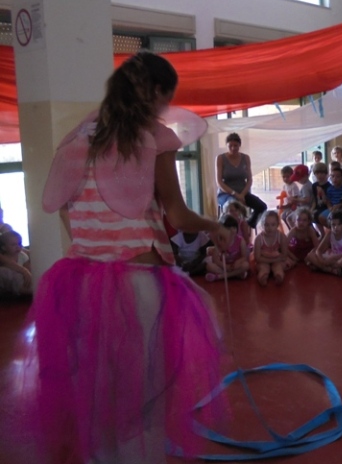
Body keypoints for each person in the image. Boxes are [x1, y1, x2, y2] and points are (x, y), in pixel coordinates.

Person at [25, 52, 227, 462]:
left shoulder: (81, 138)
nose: (165, 108)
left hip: (81, 281)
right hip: (138, 283)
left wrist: (95, 245)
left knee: (99, 388)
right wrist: (216, 228)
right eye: (165, 98)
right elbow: (176, 213)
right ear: (153, 93)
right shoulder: (151, 138)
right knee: (146, 390)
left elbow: (63, 207)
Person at [216, 132, 267, 229]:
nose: (233, 148)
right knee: (234, 206)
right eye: (230, 145)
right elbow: (219, 182)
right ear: (227, 145)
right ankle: (228, 230)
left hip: (243, 193)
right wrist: (235, 194)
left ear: (240, 145)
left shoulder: (245, 158)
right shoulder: (220, 158)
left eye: (236, 145)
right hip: (226, 193)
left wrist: (242, 195)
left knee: (262, 206)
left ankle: (248, 226)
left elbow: (249, 179)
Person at [205, 214, 250, 282]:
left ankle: (220, 276)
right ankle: (234, 275)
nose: (233, 231)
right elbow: (215, 260)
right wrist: (225, 266)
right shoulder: (220, 241)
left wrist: (238, 261)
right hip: (223, 266)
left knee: (245, 265)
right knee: (209, 266)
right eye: (229, 229)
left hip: (235, 266)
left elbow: (244, 257)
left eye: (234, 228)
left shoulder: (240, 240)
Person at [306, 210, 342, 275]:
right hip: (331, 256)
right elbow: (318, 250)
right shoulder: (330, 233)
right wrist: (322, 260)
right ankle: (328, 270)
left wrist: (332, 259)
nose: (336, 227)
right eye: (333, 225)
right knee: (310, 255)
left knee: (340, 263)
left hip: (341, 259)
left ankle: (320, 267)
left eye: (339, 224)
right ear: (330, 224)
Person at [251, 210, 289, 285]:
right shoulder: (259, 239)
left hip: (277, 260)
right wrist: (272, 260)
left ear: (277, 224)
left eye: (273, 225)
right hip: (263, 261)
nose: (269, 228)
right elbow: (257, 258)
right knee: (263, 268)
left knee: (278, 267)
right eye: (266, 225)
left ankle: (279, 276)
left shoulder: (281, 237)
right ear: (262, 225)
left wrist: (275, 260)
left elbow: (284, 255)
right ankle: (263, 277)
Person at [0, 230, 32, 297]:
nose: (17, 246)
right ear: (4, 248)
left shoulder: (22, 256)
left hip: (23, 279)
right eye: (13, 245)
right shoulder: (4, 257)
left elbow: (28, 268)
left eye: (19, 243)